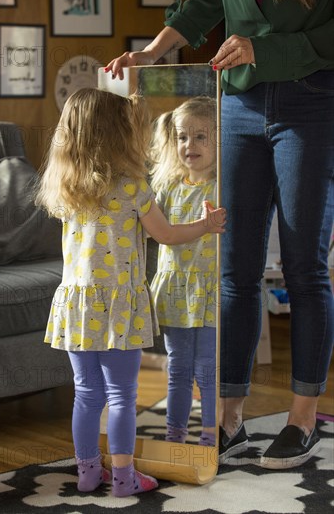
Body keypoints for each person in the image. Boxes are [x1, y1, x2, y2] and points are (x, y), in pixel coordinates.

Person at [105, 0, 334, 469]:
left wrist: (263, 49)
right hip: (239, 105)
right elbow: (200, 8)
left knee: (304, 267)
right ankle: (229, 417)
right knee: (234, 270)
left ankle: (302, 418)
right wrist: (149, 53)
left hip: (313, 104)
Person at [35, 87, 226, 496]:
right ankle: (124, 477)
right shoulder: (132, 186)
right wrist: (206, 226)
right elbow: (168, 235)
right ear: (117, 135)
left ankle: (87, 472)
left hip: (78, 302)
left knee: (86, 394)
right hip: (119, 303)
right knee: (122, 395)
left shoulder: (65, 187)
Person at [149, 97, 218, 447]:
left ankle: (210, 435)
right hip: (175, 291)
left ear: (219, 140)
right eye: (182, 137)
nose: (189, 145)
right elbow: (149, 228)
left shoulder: (223, 188)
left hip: (211, 293)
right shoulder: (166, 189)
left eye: (200, 137)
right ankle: (174, 433)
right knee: (178, 368)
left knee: (208, 369)